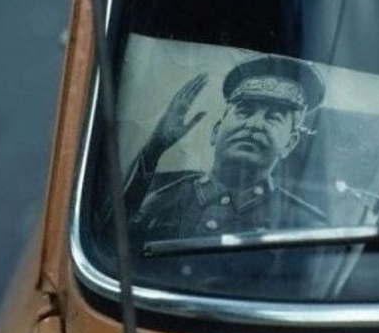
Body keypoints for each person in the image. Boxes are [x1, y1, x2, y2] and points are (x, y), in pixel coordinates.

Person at [123, 55, 327, 247]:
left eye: (273, 118)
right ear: (215, 132)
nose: (255, 125)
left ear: (290, 144)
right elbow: (111, 241)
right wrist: (155, 147)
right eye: (244, 112)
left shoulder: (305, 226)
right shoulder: (159, 196)